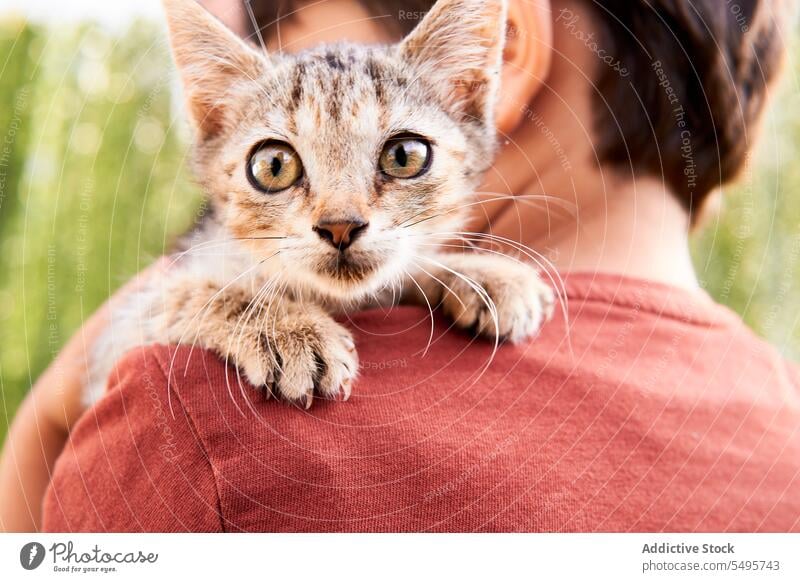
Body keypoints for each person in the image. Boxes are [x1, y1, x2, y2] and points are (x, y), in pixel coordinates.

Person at [2, 0, 799, 532]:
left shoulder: (199, 419)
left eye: (399, 153)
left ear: (490, 65)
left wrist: (43, 423)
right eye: (278, 164)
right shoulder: (785, 420)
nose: (339, 219)